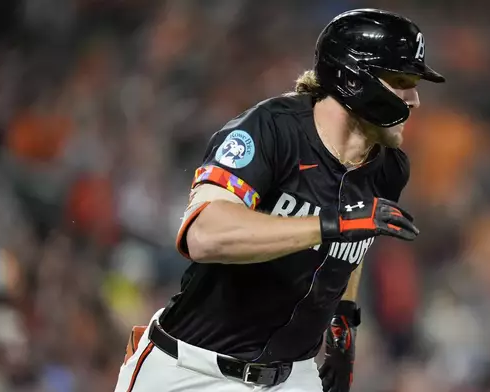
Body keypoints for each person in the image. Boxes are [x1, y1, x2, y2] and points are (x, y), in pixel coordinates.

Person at [114, 8, 445, 392]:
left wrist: (343, 320)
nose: (415, 99)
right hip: (191, 368)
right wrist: (330, 222)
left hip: (291, 375)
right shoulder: (270, 130)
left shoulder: (389, 169)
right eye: (401, 81)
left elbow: (351, 243)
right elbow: (202, 235)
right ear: (356, 79)